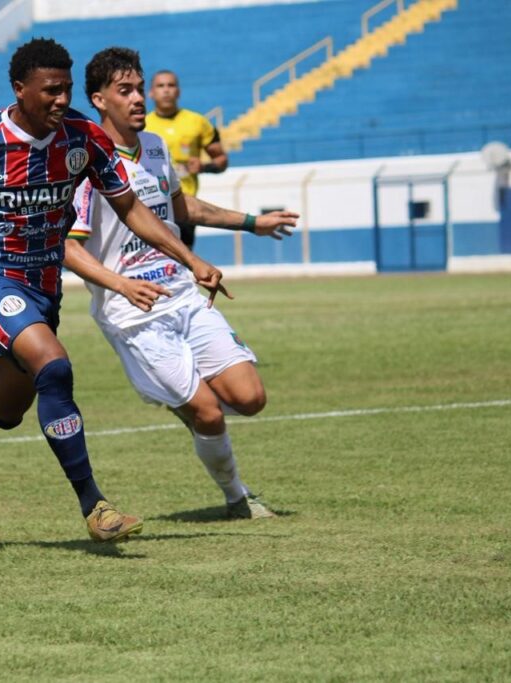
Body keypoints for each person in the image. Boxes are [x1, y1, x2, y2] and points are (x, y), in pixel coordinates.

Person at [0, 38, 226, 542]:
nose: (61, 100)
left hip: (43, 288)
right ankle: (96, 507)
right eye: (50, 90)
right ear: (20, 89)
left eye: (67, 89)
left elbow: (131, 208)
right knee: (55, 366)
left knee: (3, 410)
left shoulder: (83, 138)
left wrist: (190, 258)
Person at [67, 47, 298, 519]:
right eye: (124, 91)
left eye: (139, 88)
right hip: (133, 314)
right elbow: (67, 247)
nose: (137, 99)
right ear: (99, 100)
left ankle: (185, 405)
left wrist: (251, 222)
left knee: (250, 398)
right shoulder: (84, 164)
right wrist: (119, 284)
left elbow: (180, 208)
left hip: (184, 294)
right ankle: (238, 499)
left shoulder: (153, 147)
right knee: (209, 414)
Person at [145, 69, 229, 249]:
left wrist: (204, 166)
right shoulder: (141, 125)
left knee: (183, 263)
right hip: (152, 205)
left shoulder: (198, 122)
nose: (166, 90)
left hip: (185, 204)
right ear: (151, 92)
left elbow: (222, 160)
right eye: (160, 86)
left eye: (171, 85)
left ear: (178, 91)